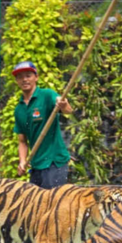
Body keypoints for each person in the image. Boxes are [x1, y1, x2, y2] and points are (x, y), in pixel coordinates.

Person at [13, 61, 73, 189]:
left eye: (28, 75)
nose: (24, 79)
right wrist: (22, 161)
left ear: (36, 77)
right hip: (36, 165)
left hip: (54, 162)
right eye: (20, 77)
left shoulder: (47, 95)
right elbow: (22, 141)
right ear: (16, 80)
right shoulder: (19, 109)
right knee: (36, 206)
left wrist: (63, 104)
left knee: (52, 204)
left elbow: (67, 110)